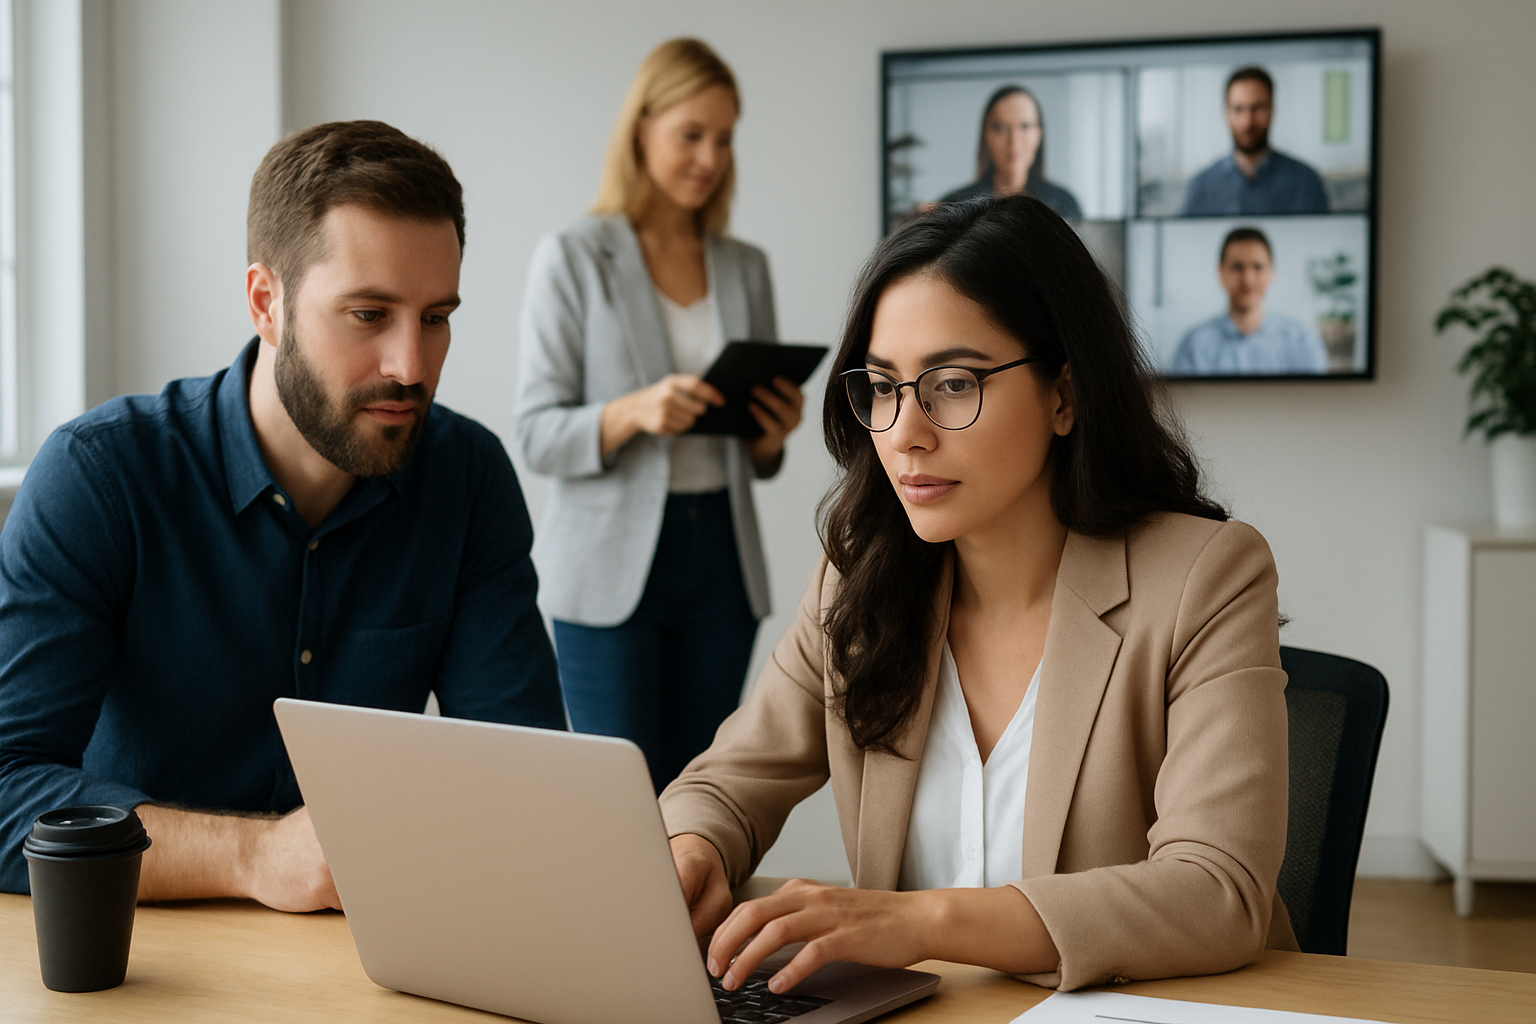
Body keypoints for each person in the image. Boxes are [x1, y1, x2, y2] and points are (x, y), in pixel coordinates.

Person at [660, 194, 1297, 994]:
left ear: (1064, 394)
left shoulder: (1208, 577)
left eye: (953, 384)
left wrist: (917, 922)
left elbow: (1217, 890)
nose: (904, 433)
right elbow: (725, 783)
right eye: (884, 387)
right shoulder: (857, 582)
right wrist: (694, 850)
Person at [0, 121, 567, 905]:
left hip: (366, 956)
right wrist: (253, 857)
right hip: (144, 954)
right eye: (369, 315)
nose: (411, 366)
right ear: (267, 303)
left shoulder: (467, 477)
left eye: (436, 317)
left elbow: (526, 779)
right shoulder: (100, 477)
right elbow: (5, 787)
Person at [515, 39, 804, 792]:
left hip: (721, 560)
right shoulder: (574, 255)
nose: (709, 157)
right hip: (607, 567)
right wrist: (632, 413)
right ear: (640, 129)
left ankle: (690, 921)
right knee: (620, 797)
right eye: (691, 134)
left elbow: (758, 454)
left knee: (699, 796)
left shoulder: (746, 265)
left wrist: (770, 438)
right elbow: (536, 432)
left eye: (724, 138)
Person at [1171, 226, 1328, 375]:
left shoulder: (1302, 342)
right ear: (1221, 273)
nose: (1247, 279)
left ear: (1271, 272)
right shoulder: (1194, 345)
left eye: (1257, 267)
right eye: (1237, 267)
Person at [1180, 66, 1329, 216]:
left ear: (1272, 110)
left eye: (1257, 108)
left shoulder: (1305, 182)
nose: (1248, 122)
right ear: (1226, 113)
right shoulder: (1201, 186)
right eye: (1238, 109)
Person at [938, 85, 1082, 222]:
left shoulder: (1064, 205)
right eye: (1000, 128)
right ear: (986, 135)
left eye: (1025, 127)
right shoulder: (954, 206)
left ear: (1038, 135)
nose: (1014, 141)